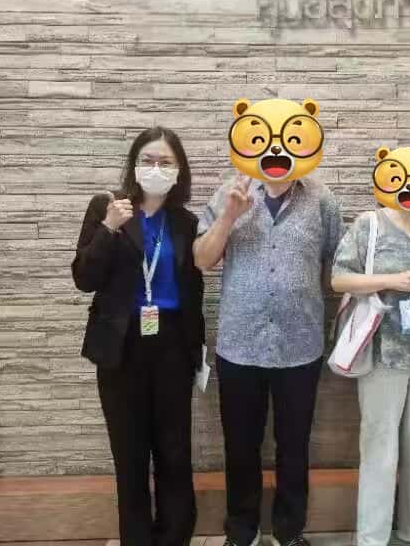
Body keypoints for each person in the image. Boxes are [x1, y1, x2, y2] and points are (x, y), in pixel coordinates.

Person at [193, 97, 342, 546]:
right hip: (240, 345)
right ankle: (242, 530)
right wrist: (229, 217)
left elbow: (335, 268)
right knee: (241, 445)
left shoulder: (322, 199)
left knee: (294, 446)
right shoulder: (230, 191)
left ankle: (289, 531)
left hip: (301, 346)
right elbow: (201, 259)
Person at [71, 127, 205, 546]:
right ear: (133, 164)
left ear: (179, 170)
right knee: (129, 455)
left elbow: (193, 290)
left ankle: (174, 537)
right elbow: (85, 278)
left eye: (165, 161)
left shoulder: (186, 222)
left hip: (172, 346)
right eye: (147, 160)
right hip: (121, 346)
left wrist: (197, 350)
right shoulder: (107, 207)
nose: (155, 168)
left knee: (174, 452)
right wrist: (108, 229)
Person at [331, 145, 410, 546]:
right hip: (383, 351)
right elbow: (338, 279)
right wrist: (390, 280)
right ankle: (372, 537)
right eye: (402, 177)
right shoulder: (370, 224)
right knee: (380, 445)